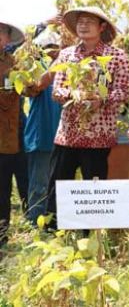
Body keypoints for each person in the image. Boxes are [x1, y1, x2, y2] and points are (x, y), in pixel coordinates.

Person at [45, 7, 129, 227]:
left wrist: (100, 100)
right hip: (68, 134)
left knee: (93, 187)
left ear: (102, 27)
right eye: (80, 22)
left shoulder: (117, 57)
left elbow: (123, 92)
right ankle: (53, 233)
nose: (83, 25)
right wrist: (75, 96)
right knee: (58, 184)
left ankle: (88, 235)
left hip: (99, 134)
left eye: (89, 22)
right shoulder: (66, 55)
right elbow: (56, 90)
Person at [22, 29, 62, 225]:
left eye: (55, 47)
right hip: (41, 132)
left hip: (62, 135)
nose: (52, 51)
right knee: (39, 183)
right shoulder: (36, 68)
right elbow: (30, 89)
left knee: (58, 182)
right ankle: (35, 223)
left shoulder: (67, 68)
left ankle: (54, 223)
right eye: (48, 47)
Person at [0, 21, 27, 248]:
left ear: (8, 39)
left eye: (2, 33)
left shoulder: (14, 64)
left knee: (3, 190)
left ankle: (1, 238)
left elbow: (30, 88)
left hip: (8, 138)